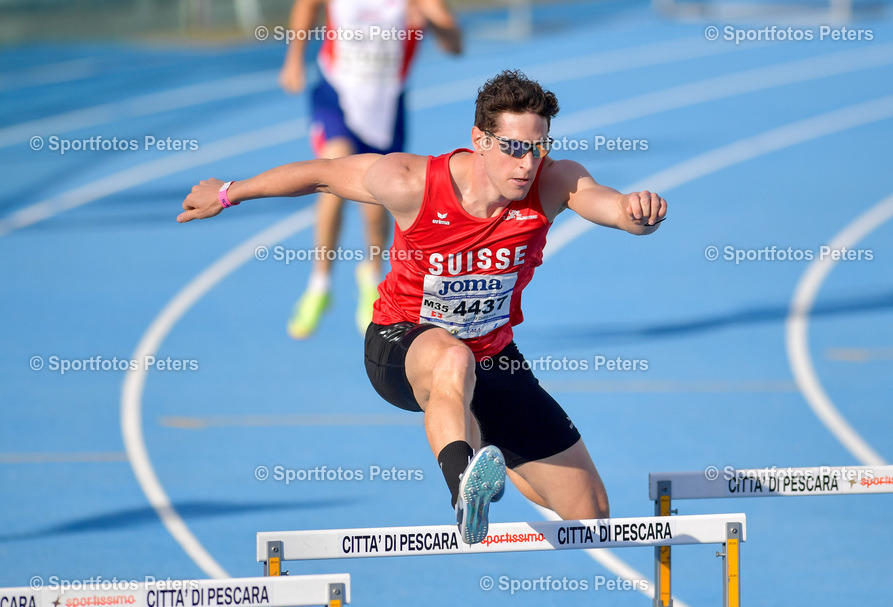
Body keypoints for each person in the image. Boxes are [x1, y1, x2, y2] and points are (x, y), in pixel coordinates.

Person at [179, 70, 667, 543]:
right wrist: (227, 192)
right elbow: (321, 176)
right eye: (514, 148)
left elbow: (607, 205)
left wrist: (635, 212)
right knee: (450, 358)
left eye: (539, 148)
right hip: (400, 343)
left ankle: (488, 449)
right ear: (479, 139)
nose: (527, 164)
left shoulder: (554, 183)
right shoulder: (411, 181)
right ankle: (464, 492)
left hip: (492, 356)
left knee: (593, 516)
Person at [279, 0, 462, 338]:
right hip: (336, 94)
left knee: (376, 206)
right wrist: (294, 58)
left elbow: (454, 45)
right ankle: (319, 285)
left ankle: (370, 276)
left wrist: (434, 21)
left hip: (385, 108)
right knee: (331, 175)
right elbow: (308, 5)